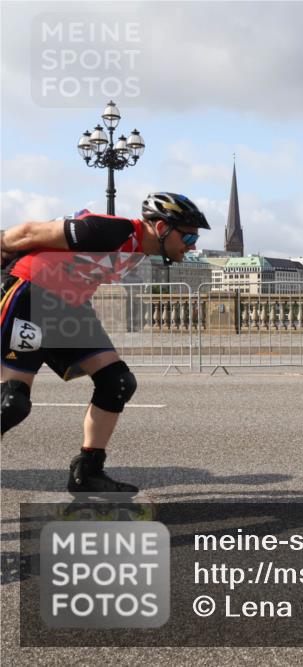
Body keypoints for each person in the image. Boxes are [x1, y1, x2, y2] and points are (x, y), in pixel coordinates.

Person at [1, 193, 209, 494]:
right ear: (162, 227)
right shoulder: (110, 230)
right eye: (188, 237)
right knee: (12, 403)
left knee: (117, 382)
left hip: (68, 307)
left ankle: (87, 472)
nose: (192, 246)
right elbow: (27, 232)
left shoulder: (138, 251)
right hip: (31, 296)